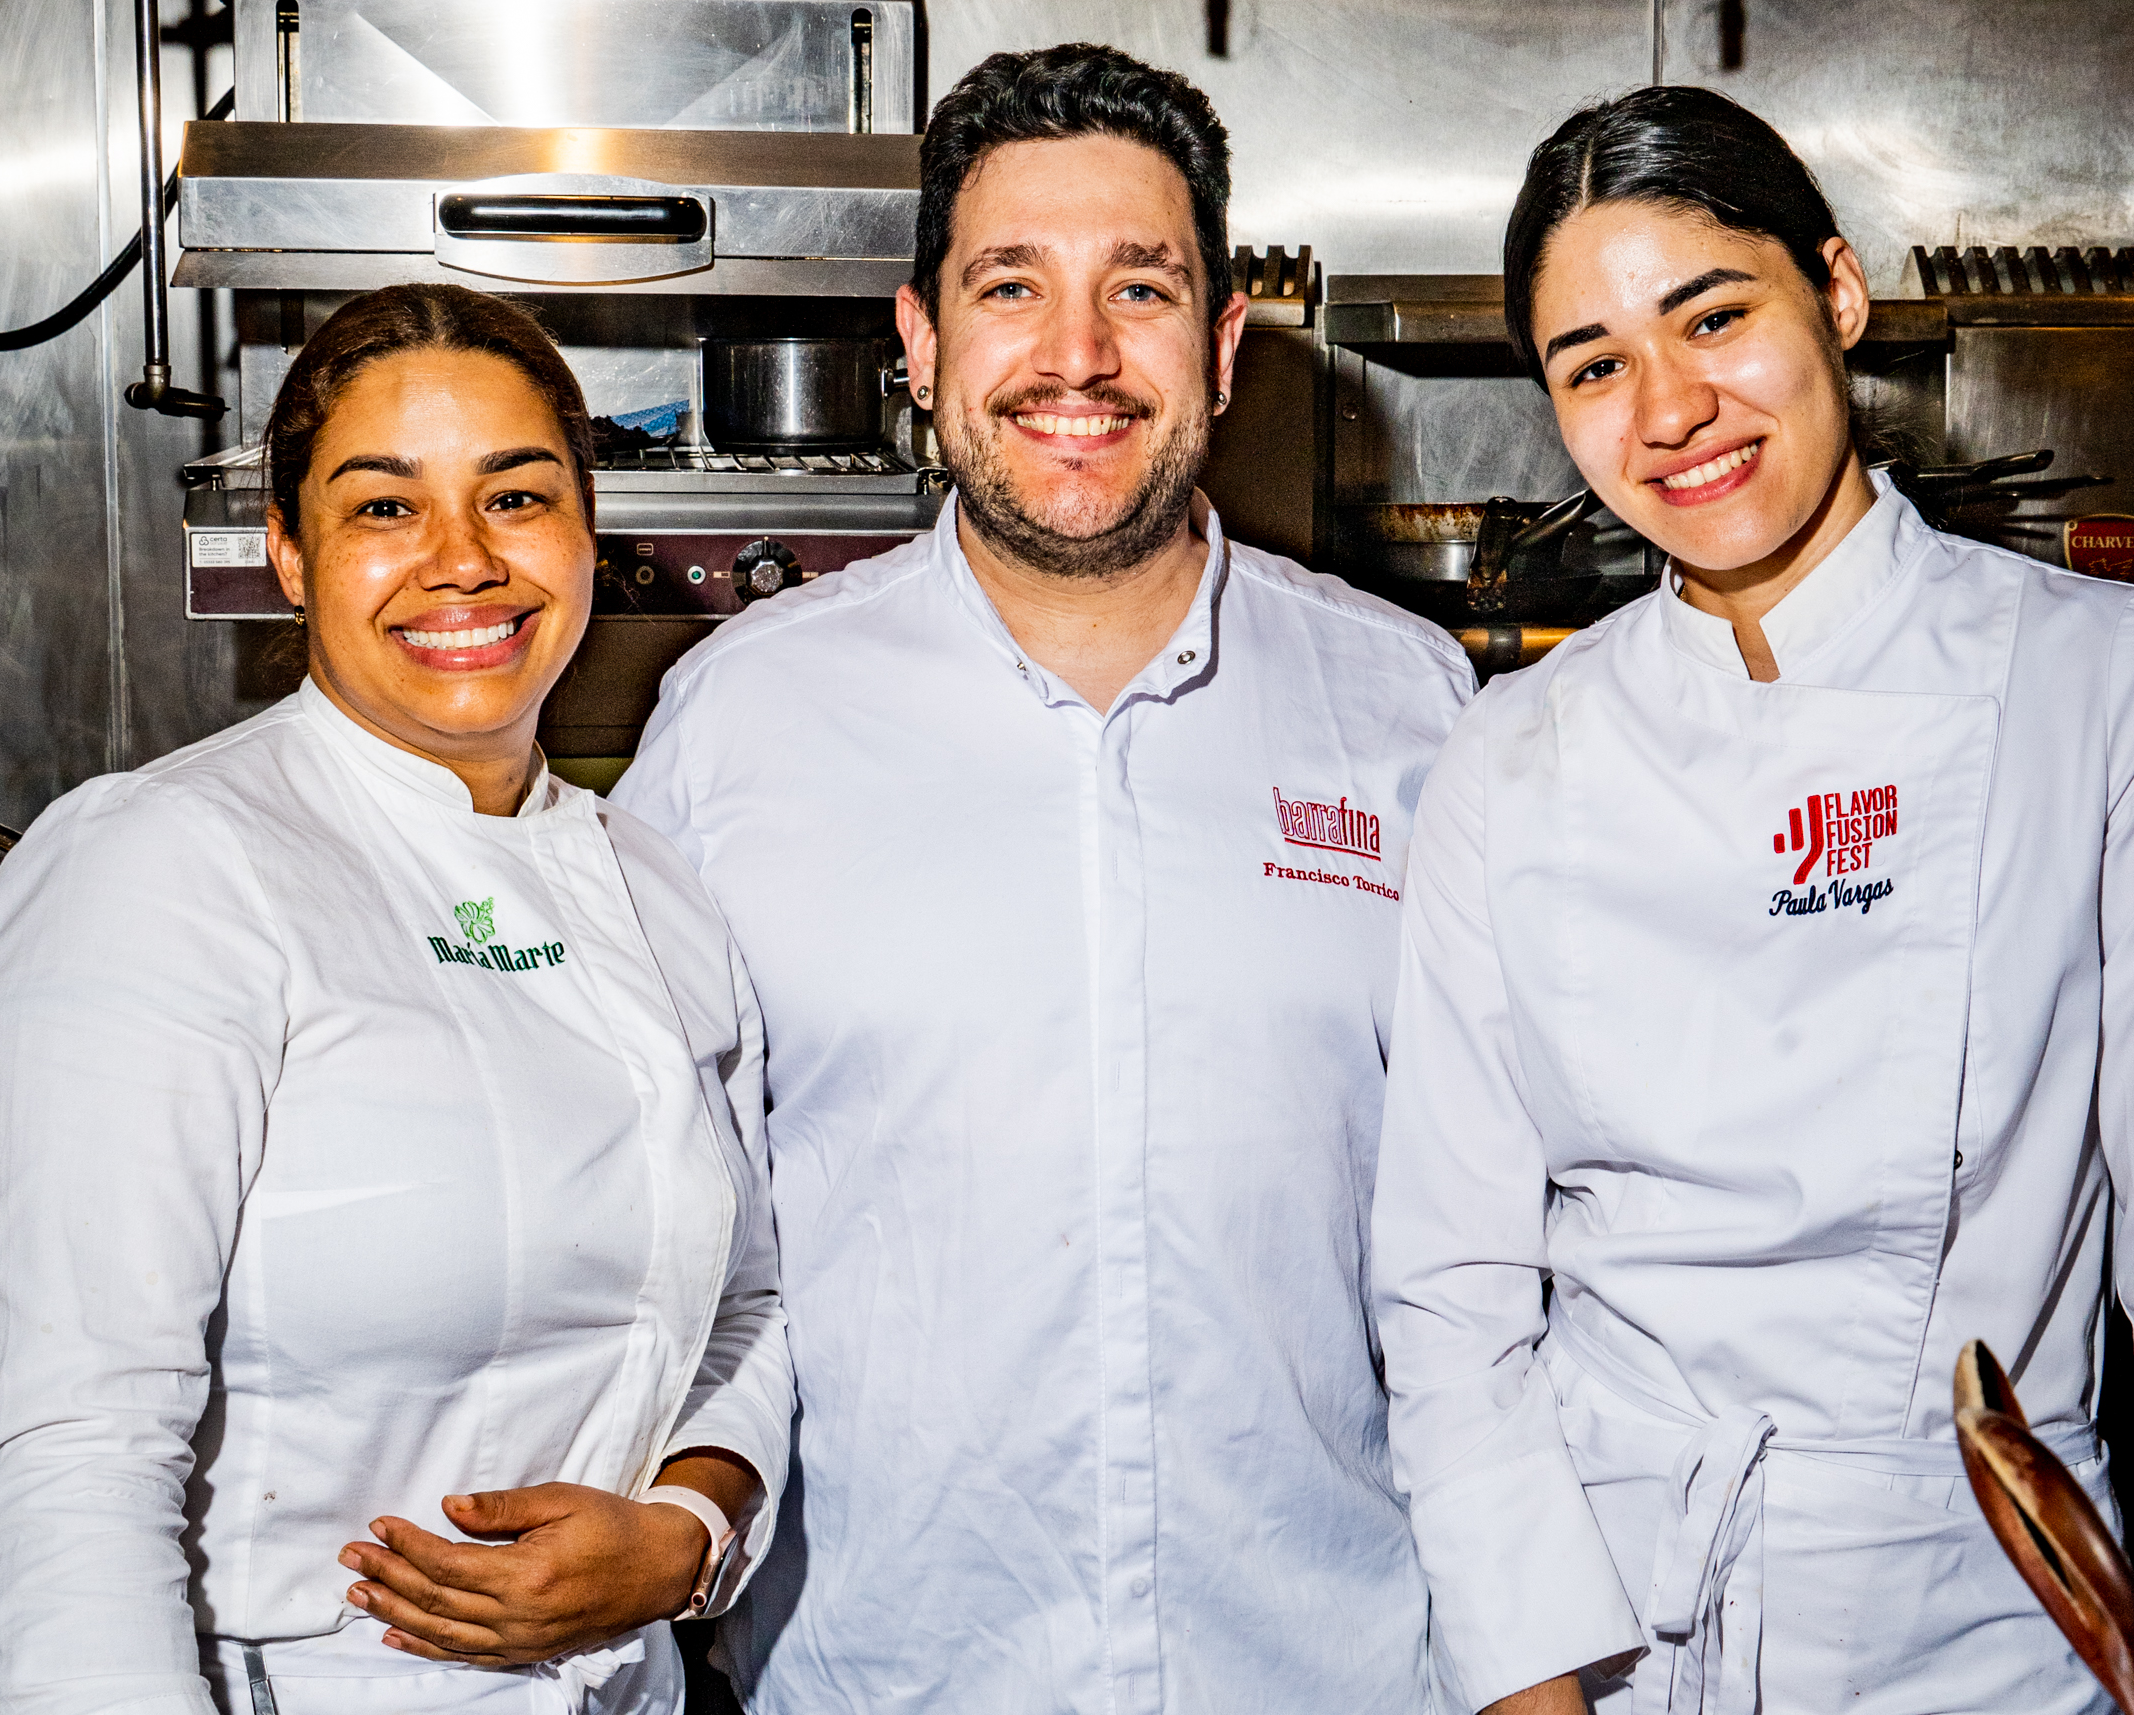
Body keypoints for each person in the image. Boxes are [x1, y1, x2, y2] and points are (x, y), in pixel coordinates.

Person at [612, 42, 1474, 1715]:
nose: (1075, 357)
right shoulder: (738, 725)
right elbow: (652, 1227)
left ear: (1222, 346)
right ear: (922, 345)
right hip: (889, 1674)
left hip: (1335, 1668)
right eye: (1011, 287)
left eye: (1139, 289)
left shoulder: (1407, 711)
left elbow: (1501, 1249)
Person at [1373, 85, 2134, 1715]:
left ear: (1836, 295)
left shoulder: (2090, 684)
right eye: (1592, 366)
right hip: (1614, 1624)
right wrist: (1534, 1690)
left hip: (1992, 1625)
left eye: (1712, 316)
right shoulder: (1506, 758)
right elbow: (1450, 1296)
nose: (1669, 410)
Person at [0, 284, 792, 1715]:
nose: (463, 561)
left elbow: (753, 1298)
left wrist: (690, 1529)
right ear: (290, 554)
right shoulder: (167, 863)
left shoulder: (657, 885)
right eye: (382, 509)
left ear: (587, 532)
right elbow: (65, 1443)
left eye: (517, 496)